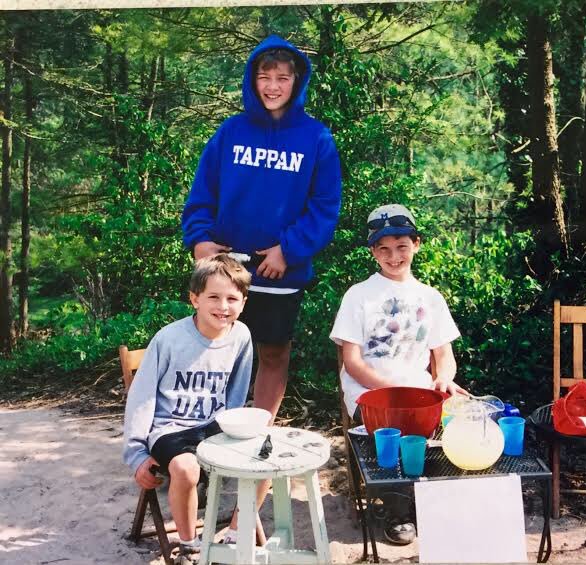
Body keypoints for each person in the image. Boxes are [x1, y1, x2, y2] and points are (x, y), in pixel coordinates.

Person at [181, 33, 341, 544]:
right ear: (253, 80)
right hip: (227, 271)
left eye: (283, 77)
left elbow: (324, 207)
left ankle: (252, 445)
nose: (273, 85)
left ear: (297, 82)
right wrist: (201, 243)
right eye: (264, 76)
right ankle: (206, 458)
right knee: (213, 356)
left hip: (278, 272)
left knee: (272, 357)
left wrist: (288, 250)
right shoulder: (229, 133)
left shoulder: (316, 138)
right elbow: (201, 195)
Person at [330, 204, 467, 545]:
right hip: (371, 392)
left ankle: (430, 499)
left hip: (420, 391)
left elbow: (443, 356)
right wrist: (392, 390)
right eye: (384, 249)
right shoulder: (358, 296)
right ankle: (398, 511)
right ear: (373, 251)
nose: (394, 256)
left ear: (416, 245)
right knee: (393, 428)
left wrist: (444, 379)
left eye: (402, 247)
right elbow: (352, 362)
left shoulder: (430, 297)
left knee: (462, 420)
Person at [123, 254, 253, 564]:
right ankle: (189, 544)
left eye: (232, 298)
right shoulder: (169, 339)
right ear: (194, 299)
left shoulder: (241, 336)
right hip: (170, 428)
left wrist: (233, 431)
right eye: (214, 297)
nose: (223, 306)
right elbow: (141, 398)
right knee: (186, 469)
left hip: (214, 425)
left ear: (244, 302)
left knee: (266, 454)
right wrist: (137, 454)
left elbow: (237, 392)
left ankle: (235, 533)